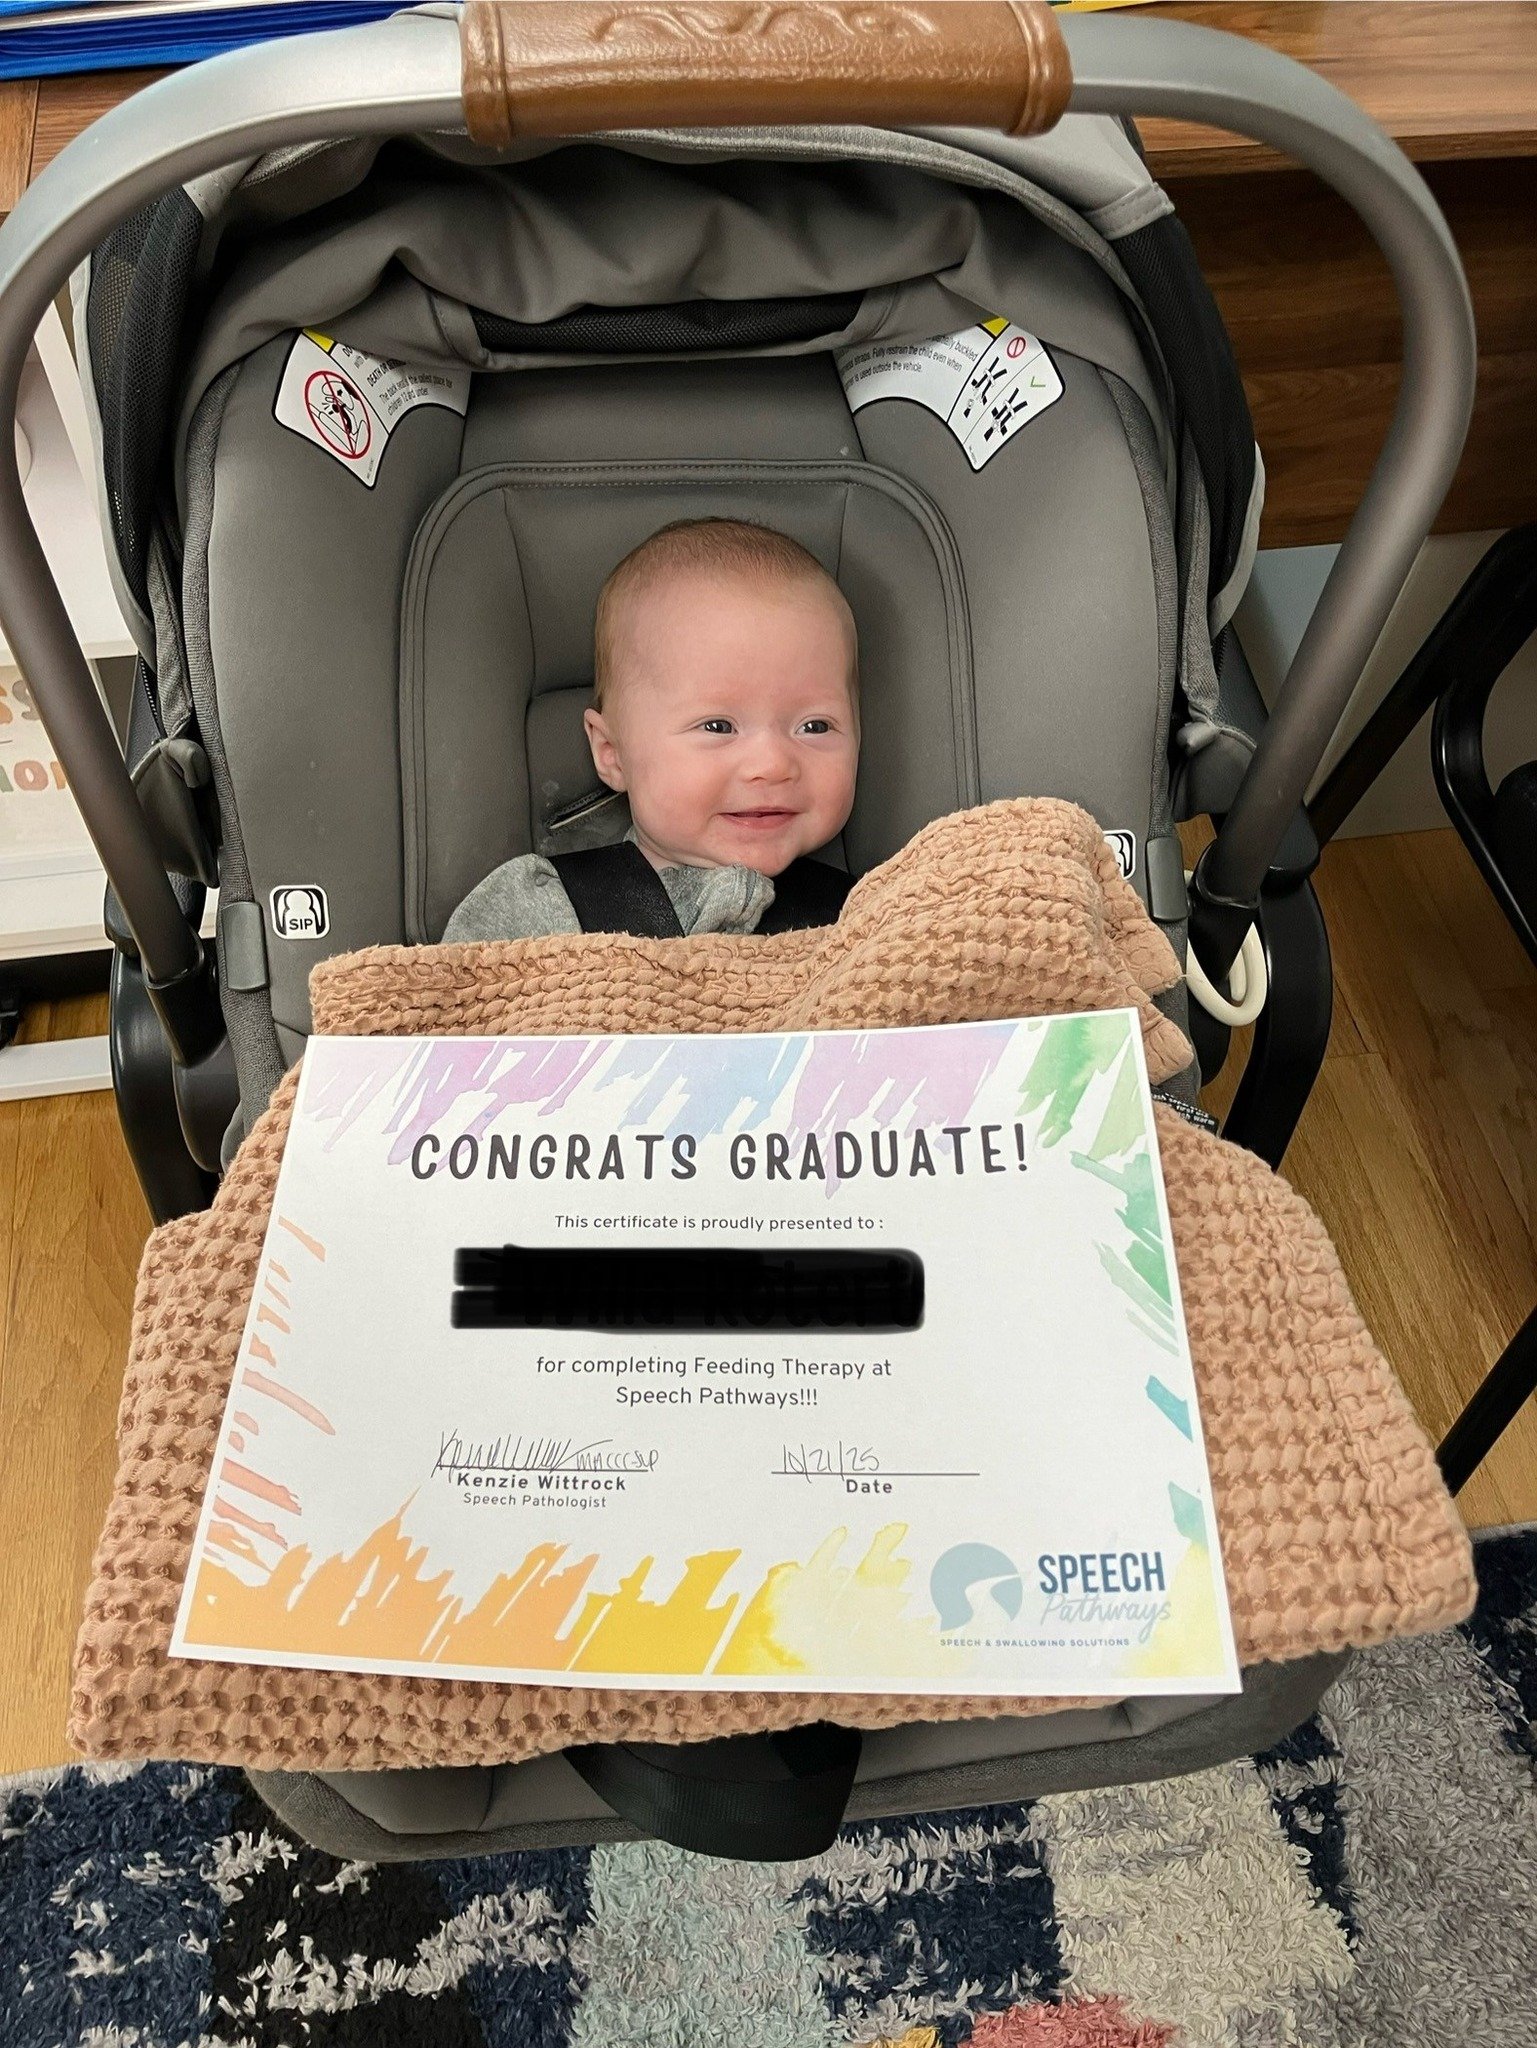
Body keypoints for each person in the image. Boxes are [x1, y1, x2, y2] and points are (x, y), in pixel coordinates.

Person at [443, 518, 861, 942]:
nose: (773, 764)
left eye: (815, 725)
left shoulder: (873, 917)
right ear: (611, 752)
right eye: (718, 726)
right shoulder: (538, 912)